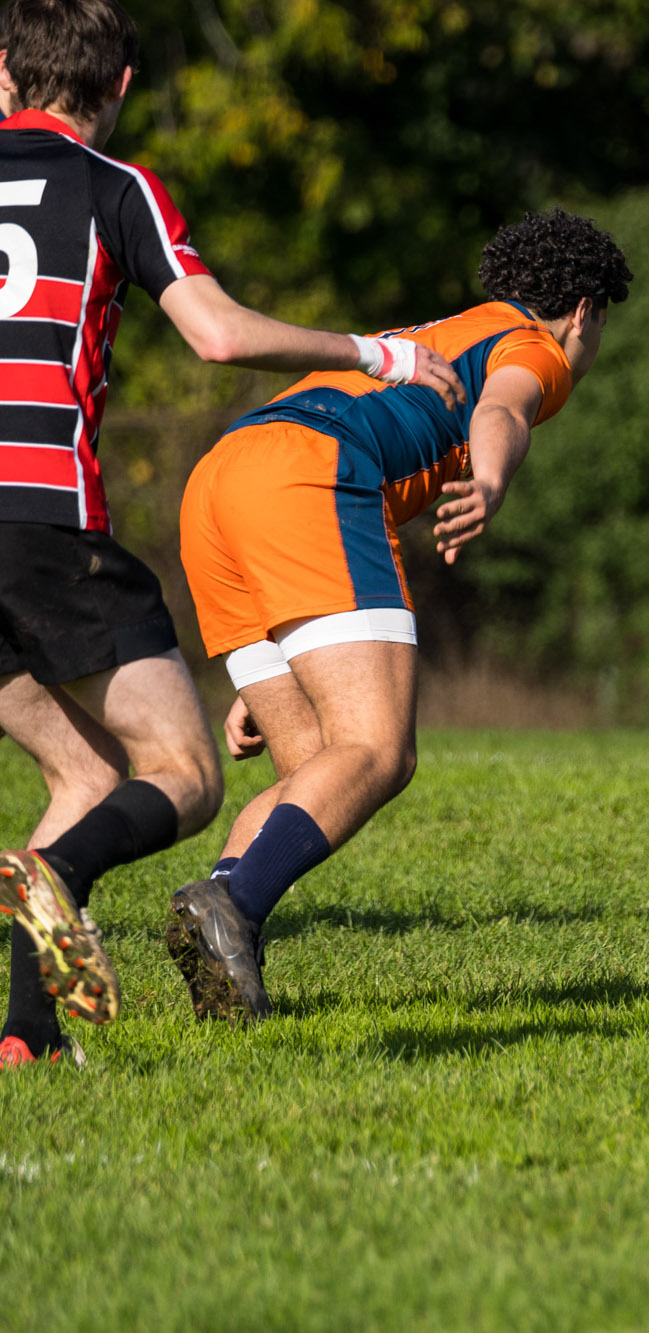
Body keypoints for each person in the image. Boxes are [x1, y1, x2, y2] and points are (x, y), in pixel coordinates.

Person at [0, 0, 463, 1065]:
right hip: (41, 520)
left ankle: (26, 1037)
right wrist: (371, 352)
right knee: (184, 773)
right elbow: (211, 334)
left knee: (82, 779)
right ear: (118, 87)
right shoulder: (117, 188)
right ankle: (57, 880)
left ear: (5, 76)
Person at [166, 208, 630, 1022]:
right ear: (585, 310)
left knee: (315, 765)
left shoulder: (438, 330)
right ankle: (231, 903)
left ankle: (223, 937)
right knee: (381, 751)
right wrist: (487, 483)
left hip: (219, 482)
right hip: (308, 470)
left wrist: (284, 640)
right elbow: (503, 411)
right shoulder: (535, 346)